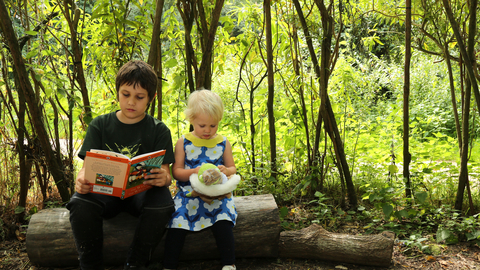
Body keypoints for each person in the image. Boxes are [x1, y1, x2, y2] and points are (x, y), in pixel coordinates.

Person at [67, 60, 175, 270]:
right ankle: (90, 266)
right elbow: (85, 169)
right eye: (126, 94)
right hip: (105, 193)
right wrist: (81, 180)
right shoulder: (99, 125)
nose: (131, 102)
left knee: (163, 203)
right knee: (80, 203)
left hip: (140, 195)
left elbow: (166, 172)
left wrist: (165, 178)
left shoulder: (159, 130)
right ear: (117, 93)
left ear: (151, 99)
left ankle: (134, 264)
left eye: (139, 97)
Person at [163, 89, 237, 270]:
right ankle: (169, 265)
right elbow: (177, 172)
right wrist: (194, 171)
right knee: (177, 223)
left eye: (213, 126)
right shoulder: (184, 142)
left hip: (217, 194)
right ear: (192, 120)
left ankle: (229, 263)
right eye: (202, 125)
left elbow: (233, 169)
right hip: (189, 194)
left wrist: (225, 170)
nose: (207, 130)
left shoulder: (223, 142)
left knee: (223, 220)